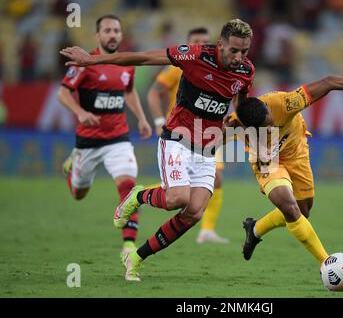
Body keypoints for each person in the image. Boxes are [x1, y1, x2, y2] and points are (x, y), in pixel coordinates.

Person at [60, 19, 255, 281]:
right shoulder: (195, 55)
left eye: (245, 51)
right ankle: (138, 196)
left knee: (194, 212)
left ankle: (136, 257)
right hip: (177, 139)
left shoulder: (245, 71)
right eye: (234, 50)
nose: (239, 57)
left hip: (207, 149)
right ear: (220, 44)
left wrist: (242, 126)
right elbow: (143, 57)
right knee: (177, 199)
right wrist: (92, 61)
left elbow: (240, 107)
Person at [231, 74, 343, 263]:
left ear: (267, 107)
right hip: (268, 162)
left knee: (302, 210)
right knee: (289, 208)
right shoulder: (235, 124)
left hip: (296, 152)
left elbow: (329, 82)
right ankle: (327, 262)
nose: (272, 123)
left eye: (271, 118)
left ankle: (255, 229)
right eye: (267, 126)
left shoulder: (286, 103)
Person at [58, 15, 152, 258]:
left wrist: (141, 118)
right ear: (97, 35)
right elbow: (63, 94)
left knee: (129, 189)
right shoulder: (84, 63)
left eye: (116, 30)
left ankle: (129, 246)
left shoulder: (126, 63)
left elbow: (129, 90)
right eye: (107, 30)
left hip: (118, 138)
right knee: (79, 193)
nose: (113, 34)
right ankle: (73, 169)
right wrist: (80, 113)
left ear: (121, 35)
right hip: (88, 142)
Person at [147, 27, 229, 244]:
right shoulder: (179, 66)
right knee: (178, 195)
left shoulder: (220, 68)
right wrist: (157, 121)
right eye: (196, 41)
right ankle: (143, 195)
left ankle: (207, 230)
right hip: (179, 133)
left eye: (204, 41)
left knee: (216, 179)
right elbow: (155, 91)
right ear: (188, 43)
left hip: (206, 136)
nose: (201, 44)